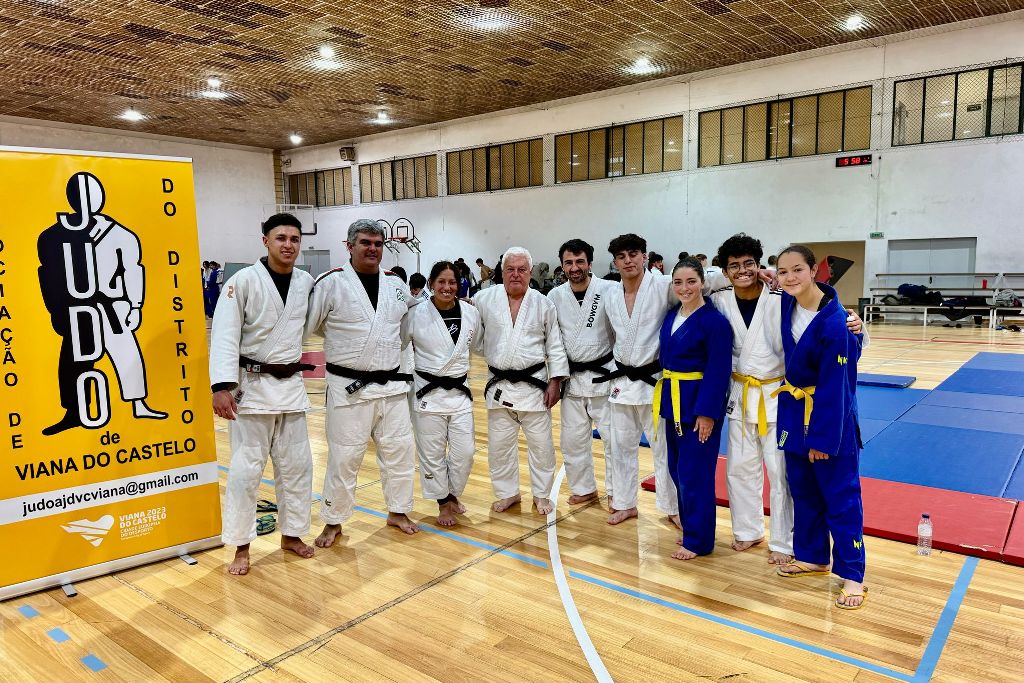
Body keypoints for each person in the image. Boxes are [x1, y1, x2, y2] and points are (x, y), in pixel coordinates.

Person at [210, 213, 317, 575]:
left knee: (298, 468)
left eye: (294, 239)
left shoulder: (305, 282)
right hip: (251, 390)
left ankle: (292, 534)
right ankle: (241, 546)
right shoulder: (242, 282)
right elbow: (224, 335)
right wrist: (220, 387)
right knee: (245, 473)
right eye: (281, 238)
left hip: (290, 390)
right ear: (265, 242)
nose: (289, 245)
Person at [306, 218, 420, 546]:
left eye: (378, 243)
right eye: (365, 243)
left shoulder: (396, 284)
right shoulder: (330, 283)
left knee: (399, 452)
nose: (372, 249)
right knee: (344, 458)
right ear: (349, 246)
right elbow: (309, 326)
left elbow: (408, 328)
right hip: (349, 389)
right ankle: (334, 520)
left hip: (392, 387)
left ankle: (398, 510)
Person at [773, 244, 867, 610]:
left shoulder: (836, 321)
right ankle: (813, 556)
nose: (790, 277)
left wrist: (823, 439)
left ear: (814, 270)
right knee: (804, 492)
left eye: (797, 269)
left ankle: (854, 574)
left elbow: (837, 386)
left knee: (841, 500)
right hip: (795, 413)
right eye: (783, 272)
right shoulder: (785, 304)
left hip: (831, 421)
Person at [707, 233, 795, 564]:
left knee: (780, 471)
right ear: (725, 271)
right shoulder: (718, 299)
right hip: (739, 396)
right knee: (739, 470)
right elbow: (689, 282)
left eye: (749, 264)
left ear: (759, 265)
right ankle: (747, 531)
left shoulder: (780, 297)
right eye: (734, 266)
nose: (742, 271)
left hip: (777, 396)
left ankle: (784, 542)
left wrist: (855, 325)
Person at [474, 246, 569, 515]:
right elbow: (476, 338)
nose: (515, 275)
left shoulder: (543, 303)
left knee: (541, 447)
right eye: (510, 269)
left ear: (530, 272)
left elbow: (555, 345)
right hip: (499, 385)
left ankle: (541, 494)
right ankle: (508, 493)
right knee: (499, 447)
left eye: (521, 270)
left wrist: (555, 381)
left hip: (535, 385)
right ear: (501, 272)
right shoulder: (484, 299)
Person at [658, 257, 733, 559]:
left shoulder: (715, 322)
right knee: (677, 470)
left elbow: (719, 370)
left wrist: (707, 413)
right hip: (672, 402)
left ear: (703, 282)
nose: (684, 288)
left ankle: (700, 541)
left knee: (696, 474)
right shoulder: (671, 315)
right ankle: (692, 528)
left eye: (691, 281)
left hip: (698, 405)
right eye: (678, 282)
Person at [602, 234, 679, 526]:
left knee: (663, 448)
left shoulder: (663, 285)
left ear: (644, 256)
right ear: (615, 262)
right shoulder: (611, 294)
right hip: (622, 381)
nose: (628, 261)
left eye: (633, 254)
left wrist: (764, 275)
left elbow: (702, 282)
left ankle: (672, 507)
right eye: (621, 257)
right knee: (620, 446)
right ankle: (625, 503)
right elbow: (612, 336)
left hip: (655, 380)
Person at [402, 261, 481, 526]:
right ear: (431, 284)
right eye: (441, 282)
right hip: (428, 394)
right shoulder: (415, 314)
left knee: (465, 452)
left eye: (452, 282)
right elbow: (401, 346)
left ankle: (452, 493)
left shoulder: (471, 313)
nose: (447, 287)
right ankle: (443, 503)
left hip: (459, 392)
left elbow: (478, 344)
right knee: (432, 454)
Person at [548, 239, 617, 505]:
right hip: (573, 381)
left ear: (589, 263)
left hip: (605, 377)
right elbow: (552, 341)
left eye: (579, 261)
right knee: (573, 441)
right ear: (562, 266)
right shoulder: (555, 296)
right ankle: (584, 488)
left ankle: (616, 493)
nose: (574, 267)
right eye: (568, 262)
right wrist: (555, 378)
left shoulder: (610, 290)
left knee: (614, 440)